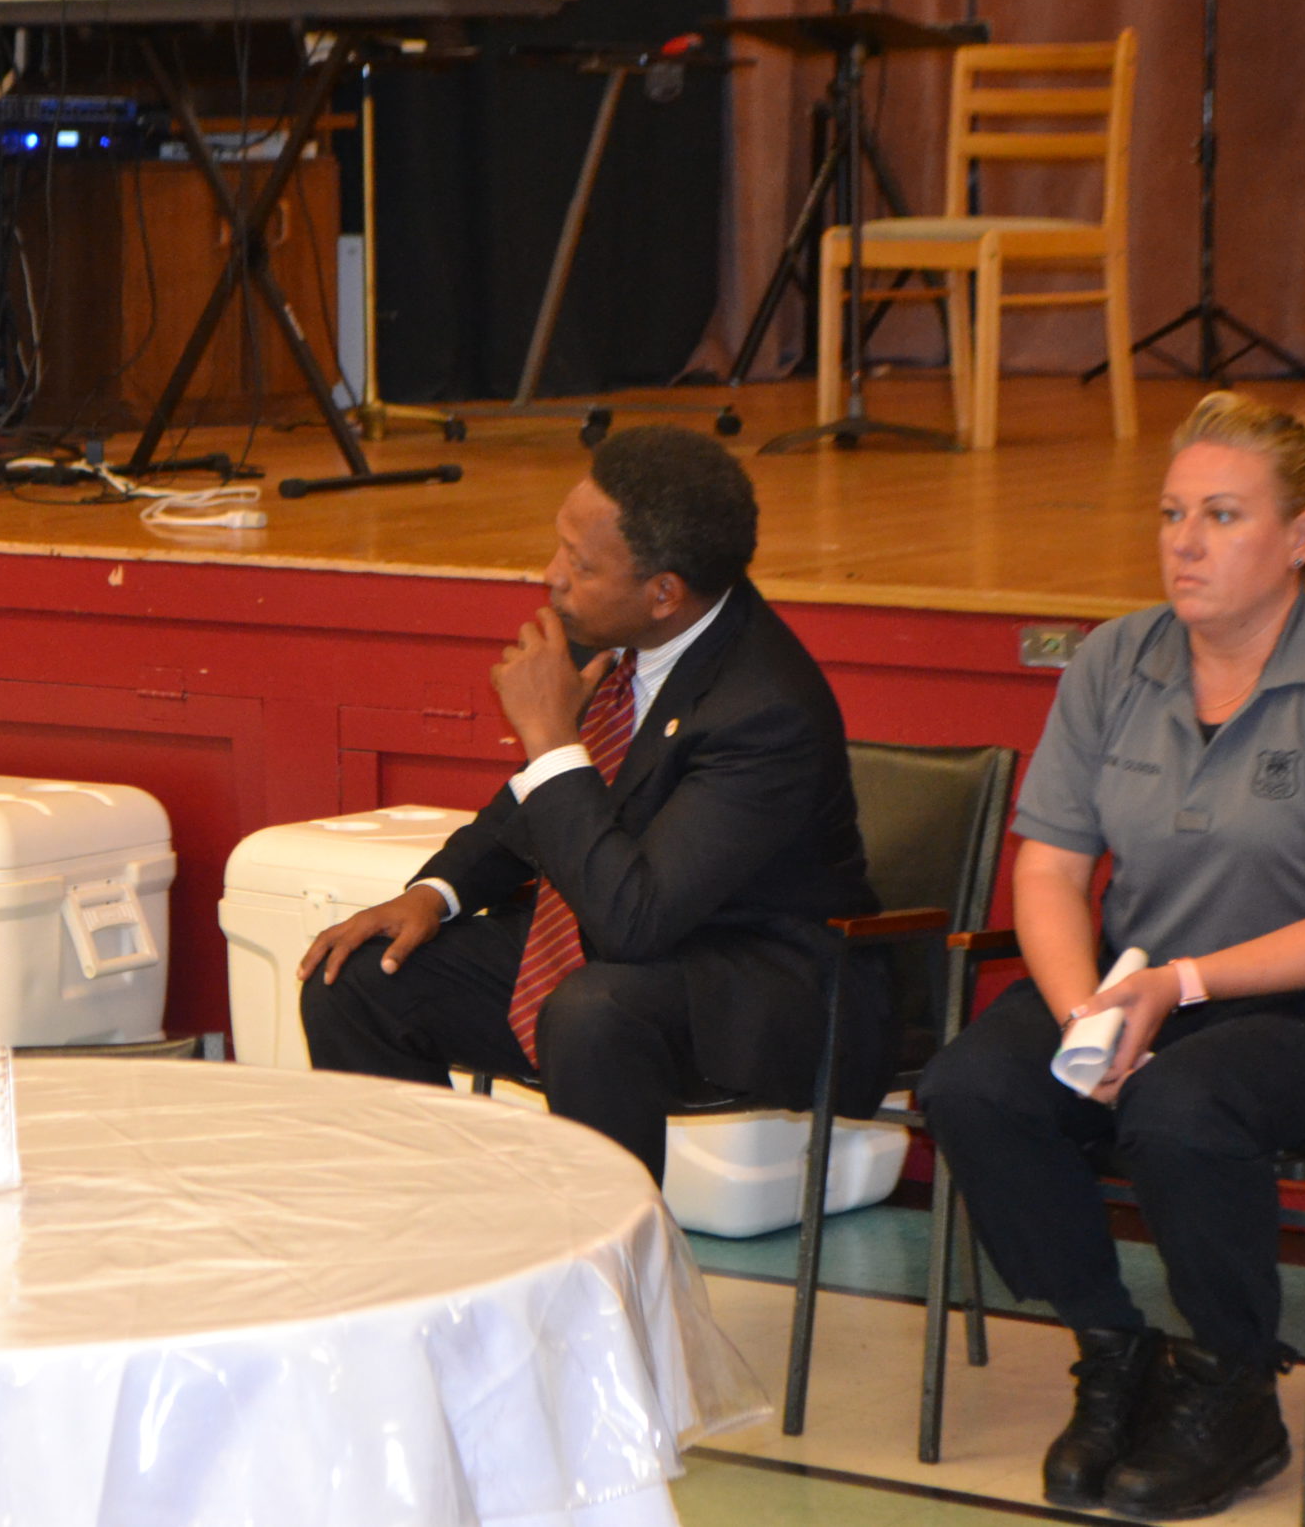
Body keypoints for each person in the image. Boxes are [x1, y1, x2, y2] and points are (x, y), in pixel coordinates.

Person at [919, 392, 1305, 1521]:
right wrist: (1086, 1013)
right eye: (1171, 514)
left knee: (1181, 1105)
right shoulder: (1117, 659)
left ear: (1300, 535)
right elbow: (1050, 870)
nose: (1185, 543)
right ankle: (1114, 1350)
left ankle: (1233, 1382)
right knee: (972, 1084)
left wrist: (1178, 987)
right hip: (1141, 983)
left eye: (1221, 514)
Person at [298, 427, 881, 1181]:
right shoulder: (613, 633)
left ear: (664, 592)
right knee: (358, 981)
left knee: (591, 1010)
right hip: (608, 946)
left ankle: (607, 1245)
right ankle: (433, 1222)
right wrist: (433, 895)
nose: (551, 576)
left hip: (745, 977)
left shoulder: (764, 709)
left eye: (580, 563)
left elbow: (637, 919)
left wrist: (548, 735)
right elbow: (532, 807)